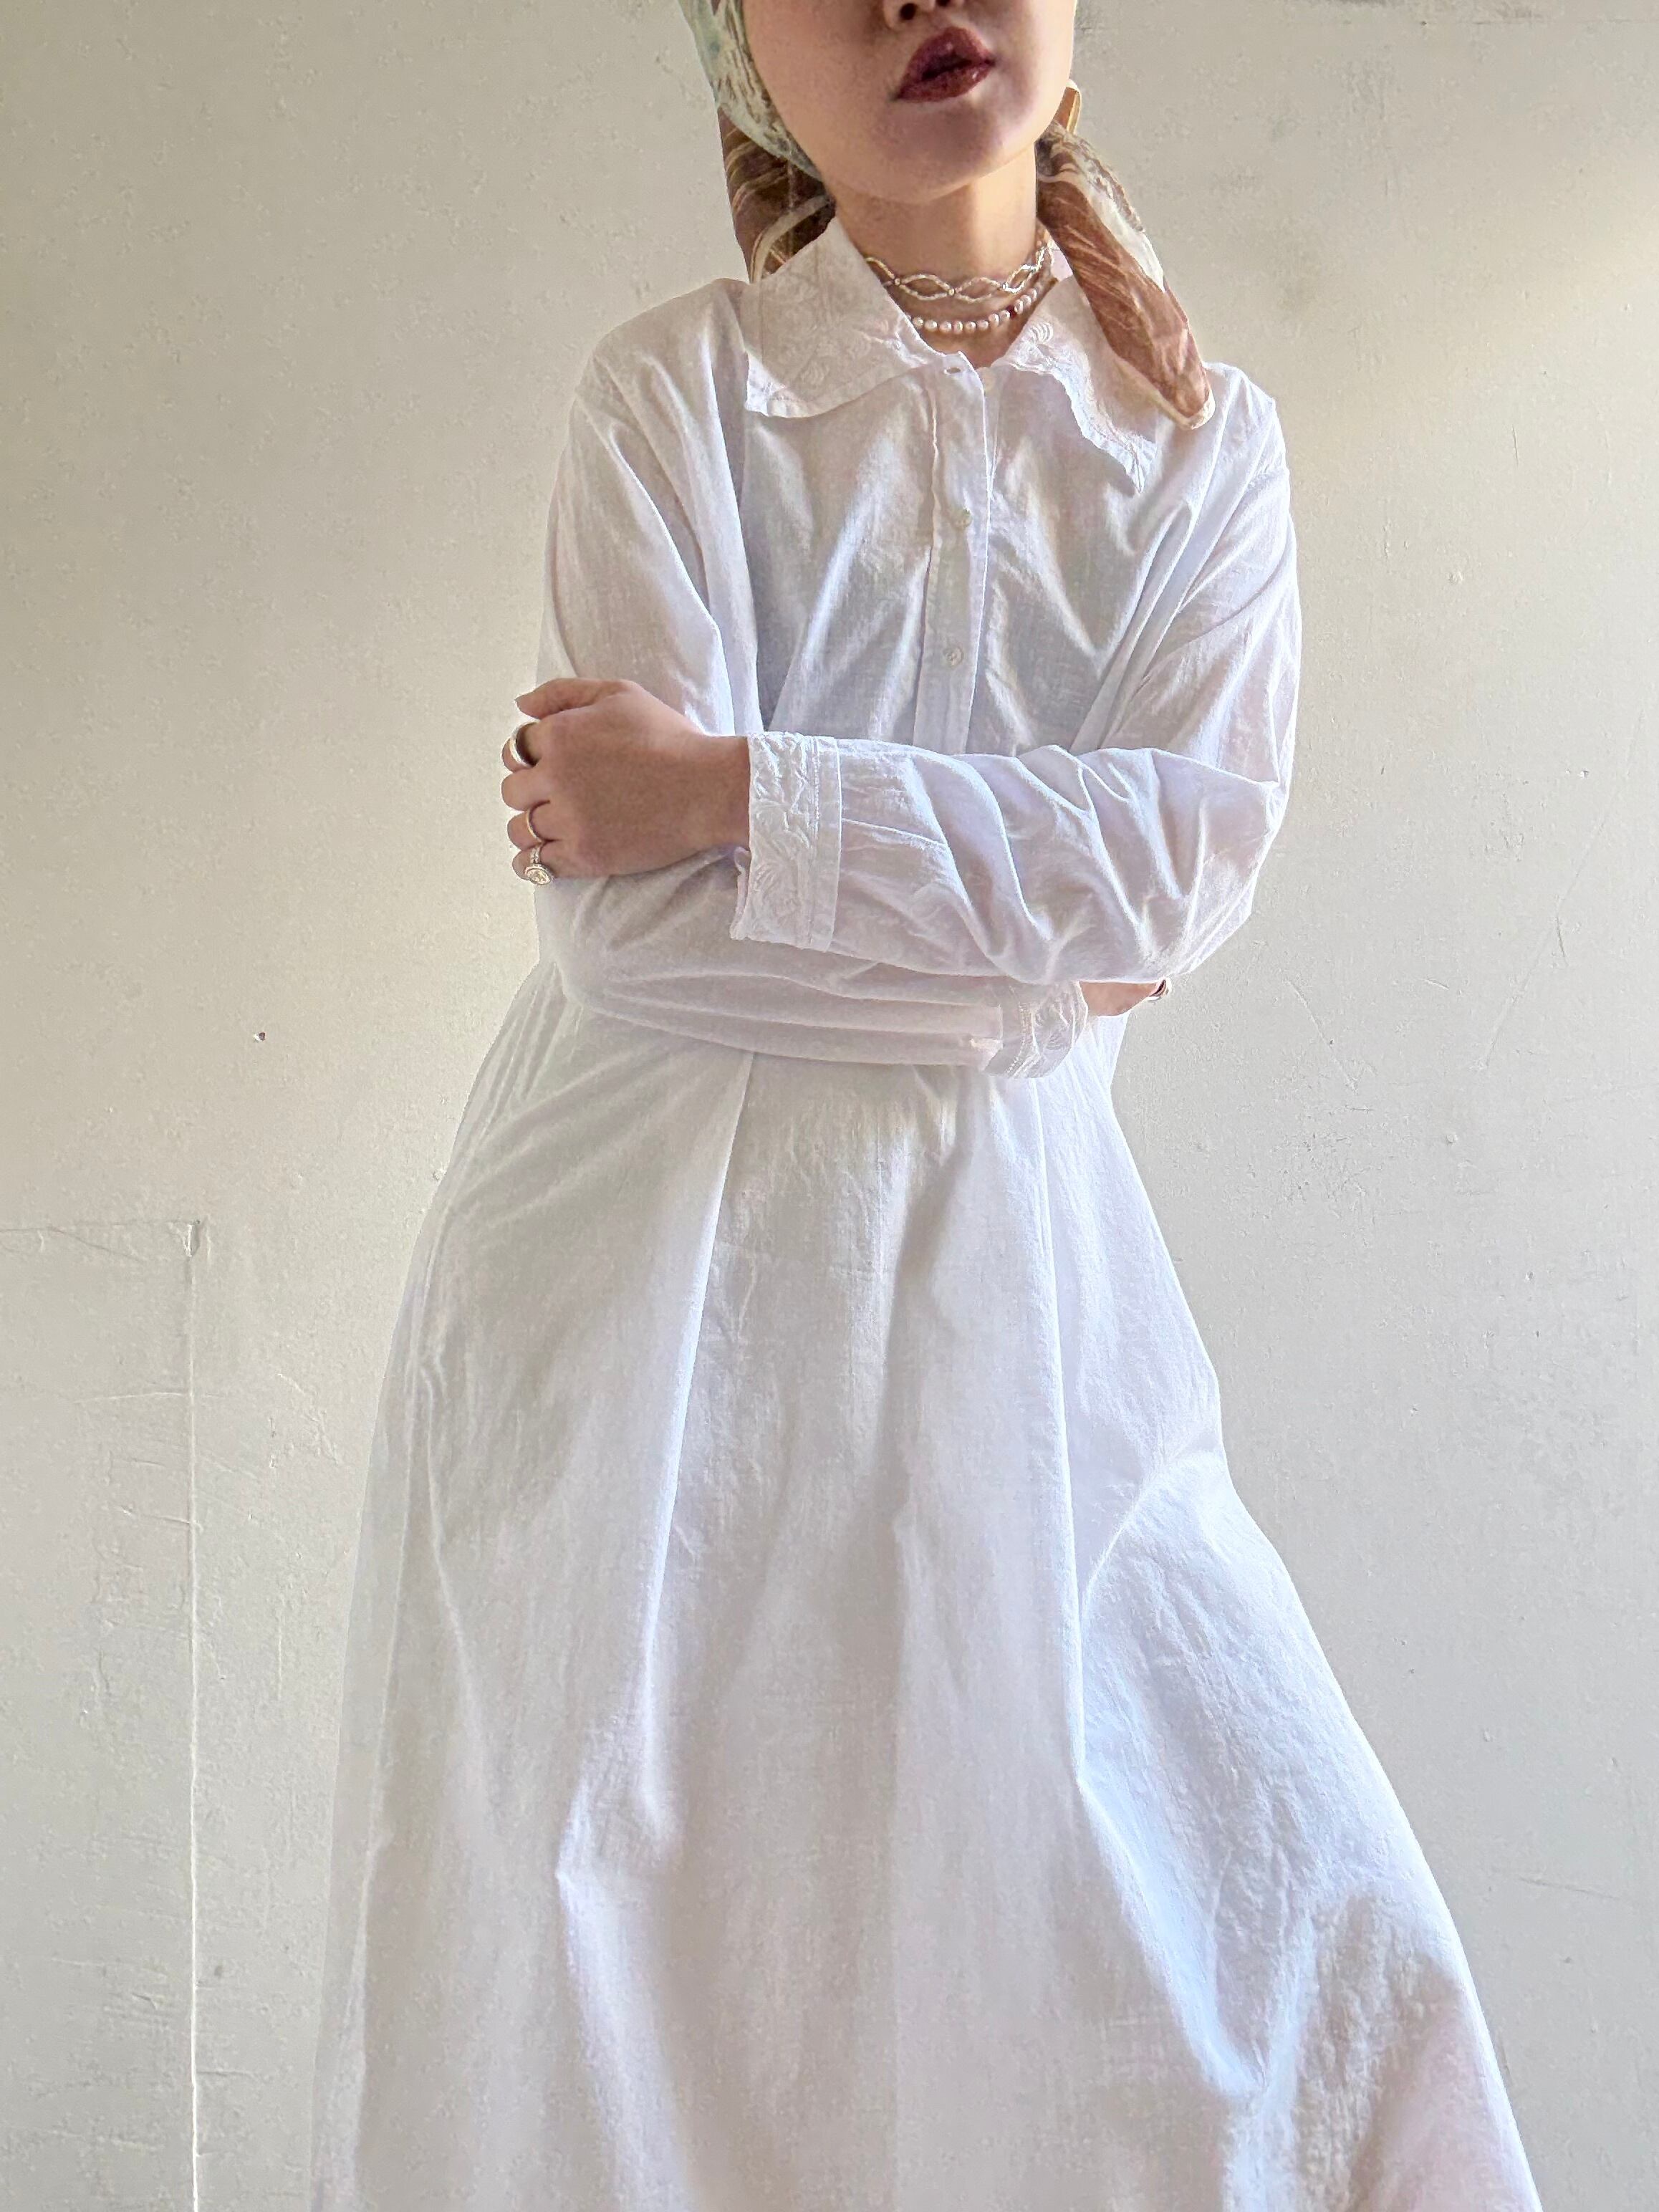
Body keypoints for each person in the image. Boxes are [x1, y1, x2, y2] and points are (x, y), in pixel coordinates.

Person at [309, 3, 1546, 2206]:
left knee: (1288, 1970)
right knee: (658, 1999)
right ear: (737, 58)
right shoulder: (675, 398)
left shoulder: (1197, 449)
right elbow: (639, 952)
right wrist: (1024, 965)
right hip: (645, 1332)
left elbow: (1181, 870)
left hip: (1023, 1314)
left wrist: (735, 795)